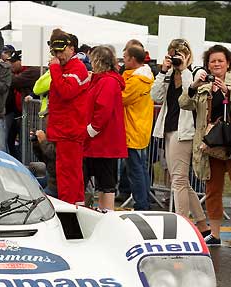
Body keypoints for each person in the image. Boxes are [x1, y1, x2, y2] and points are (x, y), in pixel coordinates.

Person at [181, 45, 231, 249]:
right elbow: (183, 103)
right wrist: (194, 85)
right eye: (212, 61)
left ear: (228, 63)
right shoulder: (202, 83)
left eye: (220, 61)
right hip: (210, 144)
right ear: (207, 64)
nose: (216, 64)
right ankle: (214, 234)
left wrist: (229, 90)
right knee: (213, 190)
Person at [150, 38, 210, 235]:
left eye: (180, 55)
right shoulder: (167, 75)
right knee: (182, 181)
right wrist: (162, 71)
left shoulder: (194, 74)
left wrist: (183, 69)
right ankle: (201, 224)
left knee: (178, 181)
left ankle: (183, 225)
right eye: (173, 54)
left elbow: (188, 96)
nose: (176, 59)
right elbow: (155, 97)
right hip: (168, 129)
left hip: (184, 131)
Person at [44, 30, 91, 205]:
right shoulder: (66, 67)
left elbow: (66, 92)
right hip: (64, 129)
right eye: (55, 52)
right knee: (71, 173)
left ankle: (69, 209)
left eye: (61, 51)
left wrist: (55, 68)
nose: (58, 56)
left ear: (71, 48)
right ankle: (76, 205)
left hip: (70, 130)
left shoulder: (76, 68)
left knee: (67, 175)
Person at [83, 46, 127, 213]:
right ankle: (103, 212)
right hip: (99, 141)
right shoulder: (103, 80)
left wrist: (90, 130)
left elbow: (103, 109)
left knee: (106, 183)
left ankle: (107, 214)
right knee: (103, 182)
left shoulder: (107, 81)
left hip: (102, 141)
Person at [121, 44, 155, 211]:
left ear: (133, 59)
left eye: (126, 58)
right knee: (140, 168)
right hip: (141, 126)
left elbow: (121, 98)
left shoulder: (136, 81)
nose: (124, 61)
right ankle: (144, 201)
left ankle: (141, 204)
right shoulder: (146, 76)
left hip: (133, 128)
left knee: (136, 171)